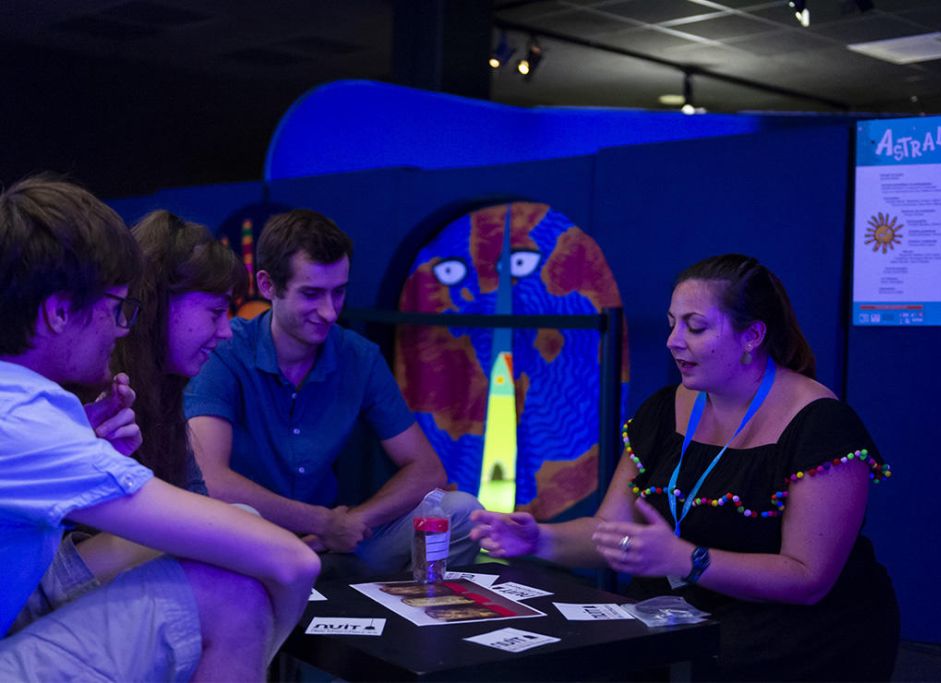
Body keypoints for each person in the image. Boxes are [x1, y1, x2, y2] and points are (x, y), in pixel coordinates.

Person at [470, 254, 899, 681]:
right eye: (672, 323)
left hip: (792, 628)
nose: (674, 340)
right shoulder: (664, 410)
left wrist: (688, 560)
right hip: (682, 607)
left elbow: (808, 579)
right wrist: (537, 539)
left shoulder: (821, 425)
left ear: (752, 335)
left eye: (695, 327)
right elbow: (613, 533)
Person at [0, 177, 321, 681]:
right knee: (233, 592)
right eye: (115, 308)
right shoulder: (22, 415)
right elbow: (291, 559)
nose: (122, 326)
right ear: (59, 312)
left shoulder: (32, 407)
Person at [184, 209, 482, 576]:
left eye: (338, 292)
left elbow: (427, 470)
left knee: (463, 510)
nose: (328, 311)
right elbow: (210, 479)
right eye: (311, 294)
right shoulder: (228, 350)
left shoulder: (358, 355)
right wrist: (321, 521)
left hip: (334, 546)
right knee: (231, 521)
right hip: (247, 544)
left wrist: (348, 524)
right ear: (267, 286)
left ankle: (415, 621)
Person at [112, 209, 246, 492]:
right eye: (216, 311)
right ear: (159, 302)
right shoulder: (105, 391)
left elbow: (196, 497)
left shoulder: (165, 388)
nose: (226, 331)